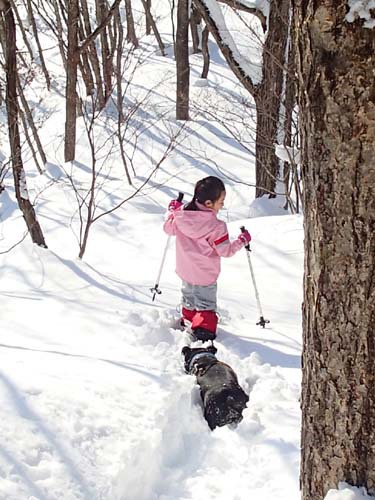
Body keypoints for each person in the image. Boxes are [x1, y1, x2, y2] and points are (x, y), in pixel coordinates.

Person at [163, 176, 251, 341]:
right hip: (205, 273)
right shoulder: (217, 227)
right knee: (204, 302)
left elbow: (168, 229)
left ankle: (189, 320)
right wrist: (241, 241)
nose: (222, 205)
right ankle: (203, 331)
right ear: (209, 203)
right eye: (221, 201)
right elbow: (225, 251)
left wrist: (172, 213)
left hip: (185, 269)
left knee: (188, 296)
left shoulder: (181, 215)